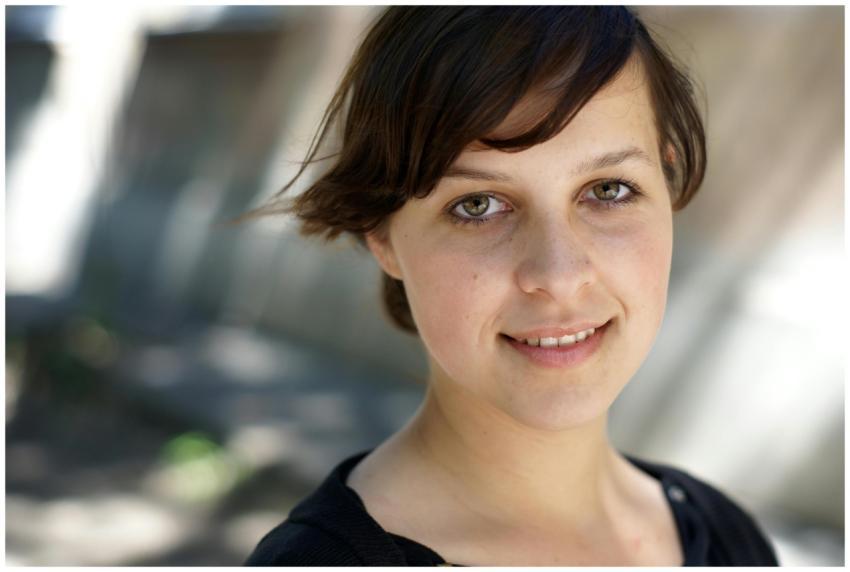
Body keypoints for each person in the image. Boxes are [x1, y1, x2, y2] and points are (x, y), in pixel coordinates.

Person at [243, 6, 778, 566]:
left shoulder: (727, 536)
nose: (560, 274)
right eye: (478, 205)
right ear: (382, 235)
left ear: (665, 183)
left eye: (609, 190)